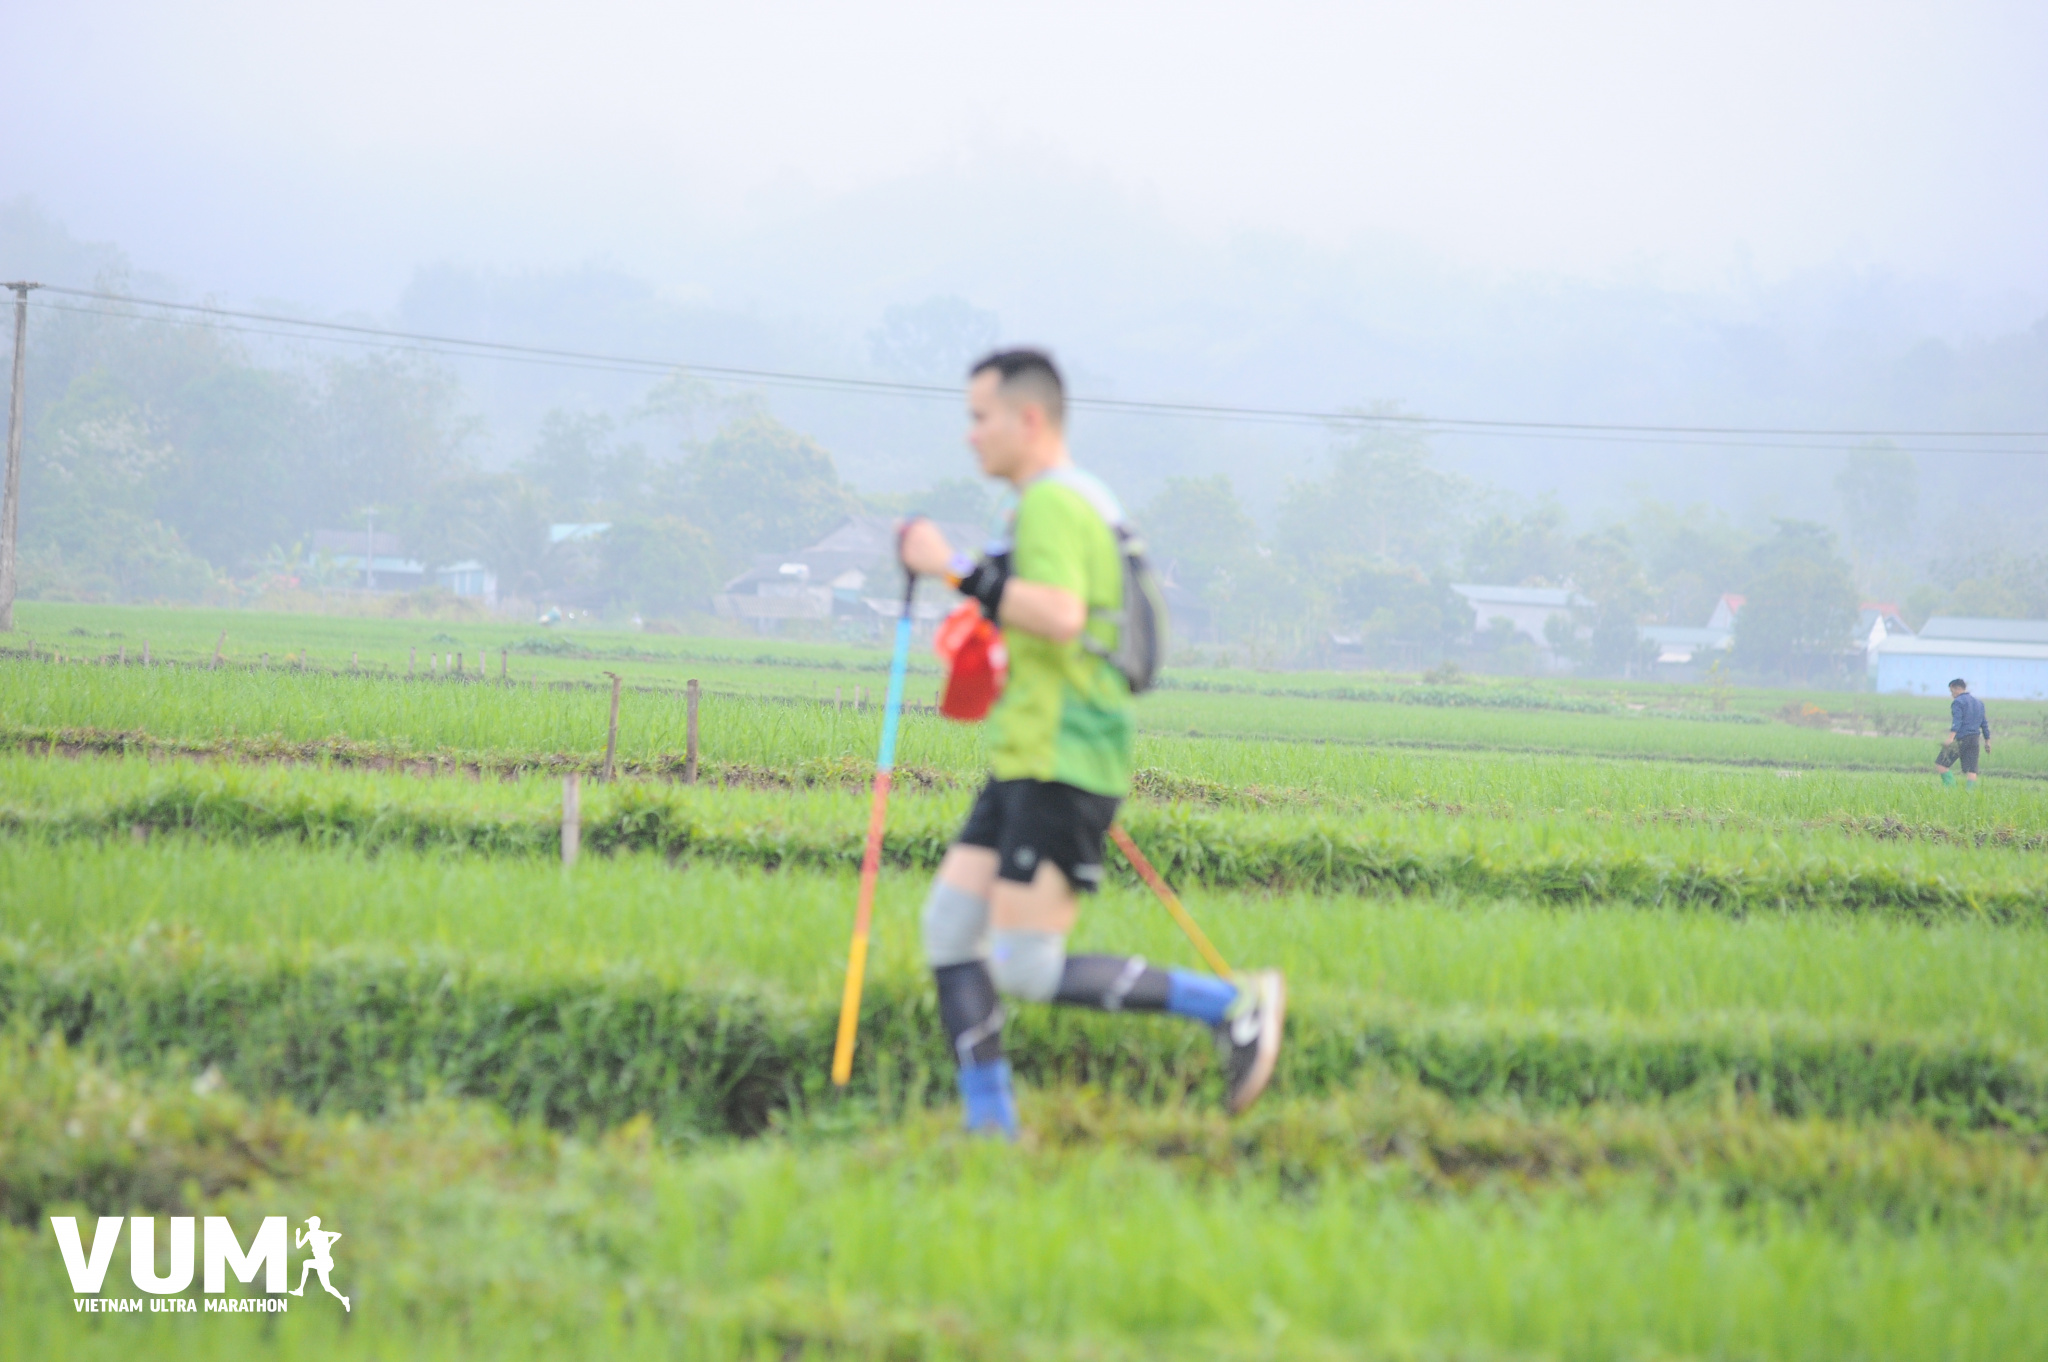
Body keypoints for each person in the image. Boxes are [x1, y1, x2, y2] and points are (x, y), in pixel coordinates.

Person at [897, 349, 1284, 1139]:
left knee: (1027, 968)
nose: (971, 435)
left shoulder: (1053, 503)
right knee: (948, 930)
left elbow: (1060, 615)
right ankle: (990, 1130)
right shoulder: (1073, 502)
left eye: (981, 418)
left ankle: (1231, 1004)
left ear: (1028, 418)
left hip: (1063, 761)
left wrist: (950, 566)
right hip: (1027, 757)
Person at [1937, 677, 1990, 790]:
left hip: (1961, 738)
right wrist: (1987, 741)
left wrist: (1951, 738)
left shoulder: (1958, 702)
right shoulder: (1979, 703)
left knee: (1941, 764)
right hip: (1975, 739)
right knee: (1972, 770)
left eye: (1951, 691)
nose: (1952, 694)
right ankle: (1969, 793)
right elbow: (1984, 723)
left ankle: (1951, 790)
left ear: (1956, 689)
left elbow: (1957, 721)